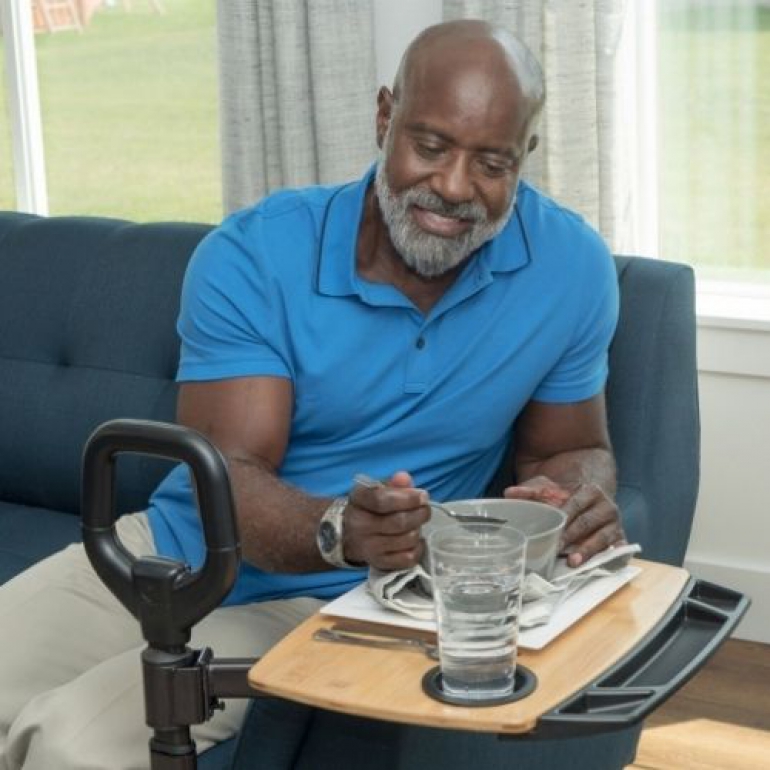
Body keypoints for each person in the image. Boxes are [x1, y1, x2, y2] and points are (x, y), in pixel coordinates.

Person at [0, 18, 626, 770]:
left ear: (525, 157)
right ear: (384, 116)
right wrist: (337, 524)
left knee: (70, 744)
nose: (455, 188)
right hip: (168, 554)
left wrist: (578, 497)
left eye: (491, 163)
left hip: (345, 603)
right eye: (430, 146)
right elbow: (224, 476)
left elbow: (569, 448)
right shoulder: (257, 254)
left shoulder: (571, 269)